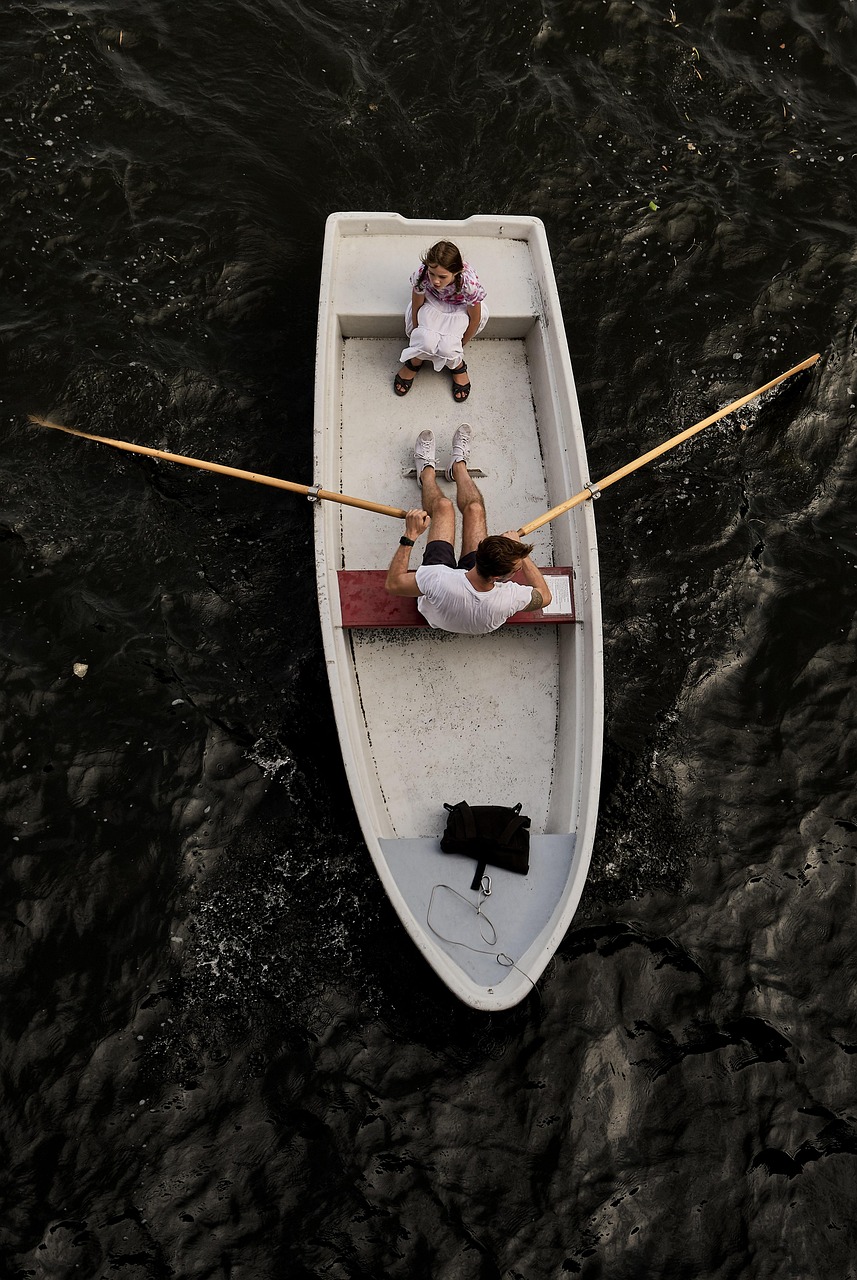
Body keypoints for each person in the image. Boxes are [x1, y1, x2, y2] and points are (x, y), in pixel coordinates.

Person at [385, 425, 552, 635]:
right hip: (456, 588)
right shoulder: (509, 597)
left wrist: (410, 535)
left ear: (478, 553)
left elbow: (394, 584)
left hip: (443, 594)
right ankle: (458, 467)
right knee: (475, 509)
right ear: (499, 577)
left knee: (443, 507)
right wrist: (522, 556)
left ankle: (426, 475)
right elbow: (545, 596)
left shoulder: (437, 578)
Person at [393, 240, 488, 403]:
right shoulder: (423, 274)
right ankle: (416, 360)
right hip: (433, 303)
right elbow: (417, 304)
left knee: (448, 348)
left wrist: (462, 342)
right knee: (425, 340)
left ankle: (457, 365)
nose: (436, 281)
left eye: (442, 277)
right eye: (432, 274)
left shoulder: (468, 284)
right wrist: (417, 329)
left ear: (456, 272)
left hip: (459, 308)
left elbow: (475, 319)